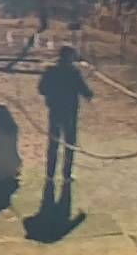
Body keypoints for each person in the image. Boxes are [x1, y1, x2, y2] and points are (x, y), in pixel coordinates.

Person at [38, 45, 93, 181]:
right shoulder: (73, 72)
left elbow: (41, 89)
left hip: (55, 111)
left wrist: (51, 95)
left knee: (53, 144)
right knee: (69, 144)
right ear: (69, 56)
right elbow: (86, 91)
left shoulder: (50, 70)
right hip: (69, 113)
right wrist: (89, 92)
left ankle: (50, 174)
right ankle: (66, 175)